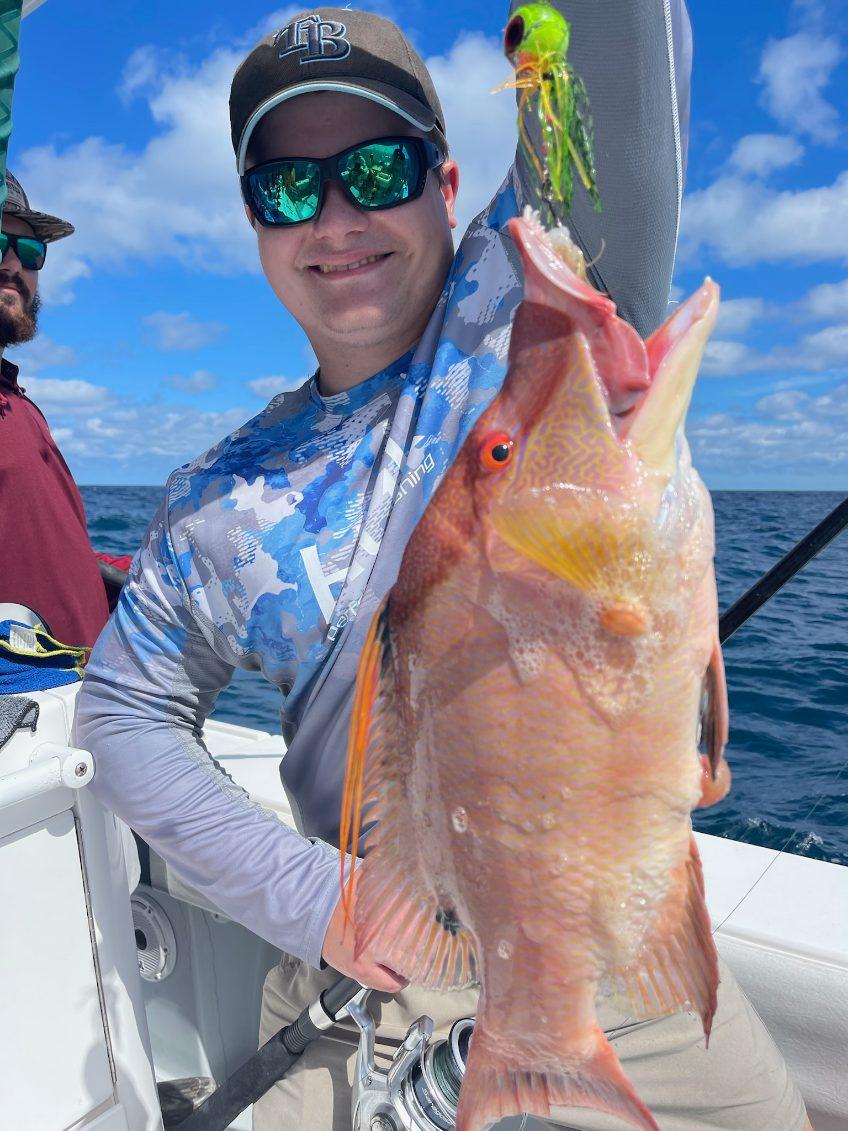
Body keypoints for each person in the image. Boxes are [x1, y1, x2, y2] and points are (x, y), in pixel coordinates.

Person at [75, 5, 812, 1129]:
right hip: (371, 983)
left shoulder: (530, 303)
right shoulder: (215, 499)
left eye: (378, 170)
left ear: (447, 181)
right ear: (255, 221)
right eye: (288, 187)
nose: (336, 217)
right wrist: (325, 906)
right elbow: (122, 714)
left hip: (605, 938)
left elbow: (620, 61)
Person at [0, 171, 121, 649]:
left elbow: (37, 554)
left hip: (82, 687)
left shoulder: (19, 406)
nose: (13, 263)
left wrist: (137, 576)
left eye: (30, 252)